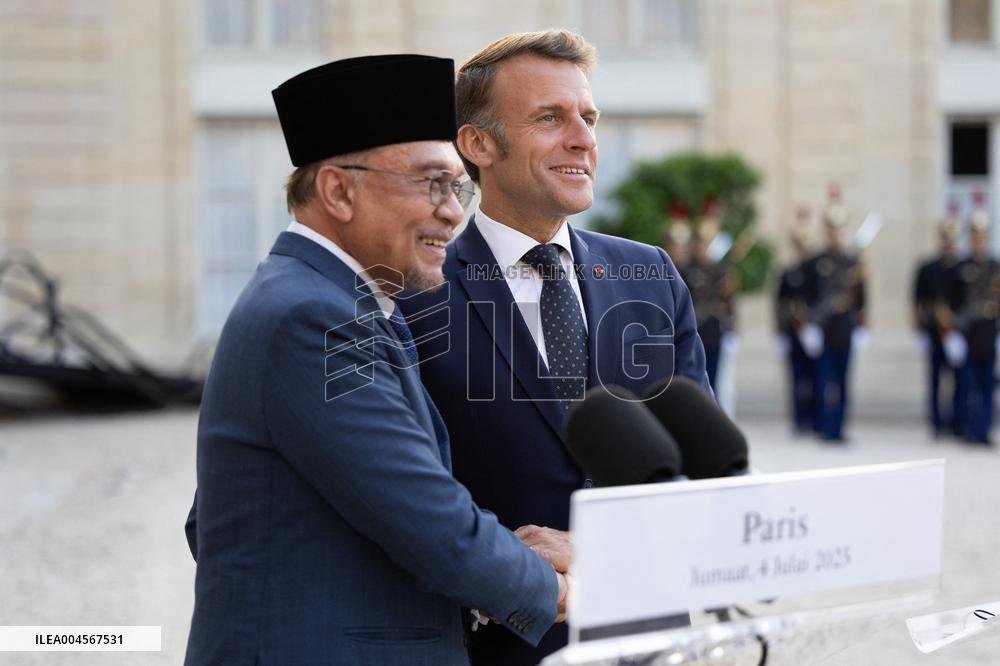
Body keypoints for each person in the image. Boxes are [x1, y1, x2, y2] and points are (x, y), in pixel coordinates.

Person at [183, 55, 570, 666]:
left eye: (457, 186)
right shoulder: (312, 316)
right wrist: (559, 587)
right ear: (339, 189)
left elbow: (217, 525)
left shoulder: (331, 299)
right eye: (430, 183)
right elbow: (430, 524)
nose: (453, 210)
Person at [397, 30, 712, 666]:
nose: (583, 139)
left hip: (650, 637)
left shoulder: (648, 274)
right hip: (496, 648)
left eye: (588, 118)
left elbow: (703, 476)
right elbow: (393, 499)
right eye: (550, 117)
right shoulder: (410, 290)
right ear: (477, 144)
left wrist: (604, 546)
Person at [805, 195, 867, 442]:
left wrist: (862, 326)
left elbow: (861, 296)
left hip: (845, 328)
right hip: (822, 329)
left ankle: (840, 428)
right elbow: (807, 297)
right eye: (831, 229)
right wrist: (808, 326)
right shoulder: (815, 263)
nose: (834, 234)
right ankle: (823, 426)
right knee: (822, 380)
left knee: (842, 381)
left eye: (838, 230)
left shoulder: (853, 262)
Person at [949, 208, 999, 445]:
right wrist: (952, 335)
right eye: (975, 236)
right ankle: (968, 428)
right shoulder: (960, 268)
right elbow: (951, 304)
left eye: (982, 236)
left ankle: (984, 430)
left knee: (987, 386)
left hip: (989, 334)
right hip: (967, 334)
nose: (978, 240)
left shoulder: (995, 267)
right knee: (968, 386)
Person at [681, 205, 738, 391]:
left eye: (706, 244)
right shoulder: (686, 270)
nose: (702, 248)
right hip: (694, 330)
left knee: (715, 382)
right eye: (700, 243)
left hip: (714, 330)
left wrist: (733, 327)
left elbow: (728, 303)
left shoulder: (721, 271)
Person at [912, 216, 960, 437]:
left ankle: (956, 420)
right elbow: (917, 300)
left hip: (957, 331)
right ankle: (937, 423)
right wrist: (920, 327)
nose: (948, 244)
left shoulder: (961, 267)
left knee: (959, 379)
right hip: (933, 329)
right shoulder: (928, 268)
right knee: (935, 378)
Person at [776, 207, 816, 434]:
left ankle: (814, 418)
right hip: (794, 329)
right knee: (797, 377)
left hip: (812, 330)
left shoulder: (816, 270)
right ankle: (799, 420)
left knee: (815, 377)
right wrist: (780, 330)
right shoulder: (788, 272)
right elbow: (780, 303)